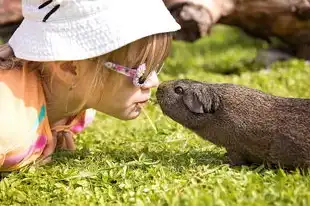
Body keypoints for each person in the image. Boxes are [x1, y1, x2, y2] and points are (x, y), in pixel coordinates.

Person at [0, 0, 180, 171]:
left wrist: (53, 127)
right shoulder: (9, 127)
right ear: (70, 68)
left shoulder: (79, 107)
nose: (154, 82)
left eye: (156, 66)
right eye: (141, 72)